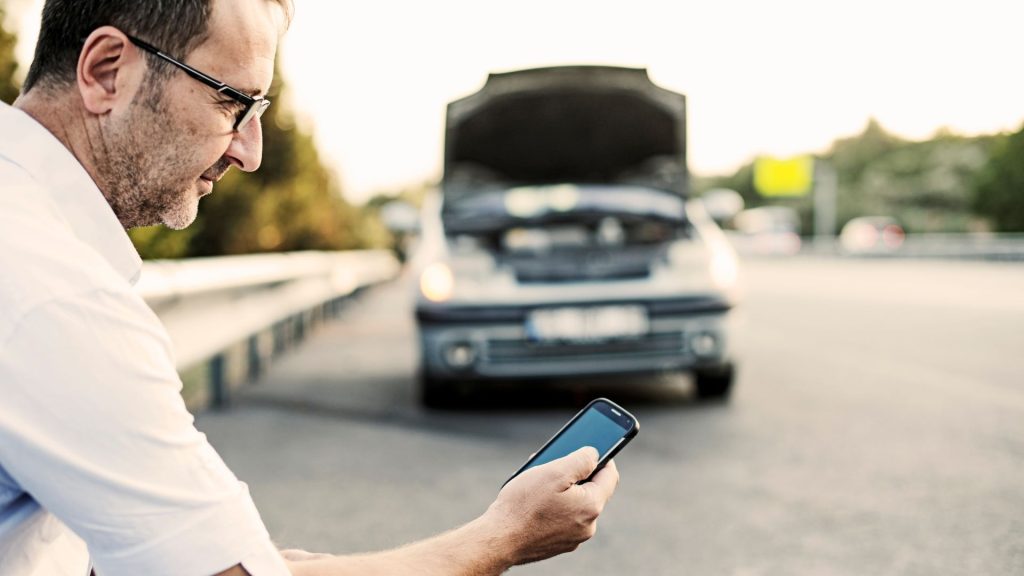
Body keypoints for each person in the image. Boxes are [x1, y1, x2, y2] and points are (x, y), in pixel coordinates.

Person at [0, 1, 620, 575]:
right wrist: (502, 537)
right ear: (108, 70)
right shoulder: (58, 298)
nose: (250, 152)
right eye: (230, 102)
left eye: (259, 111)